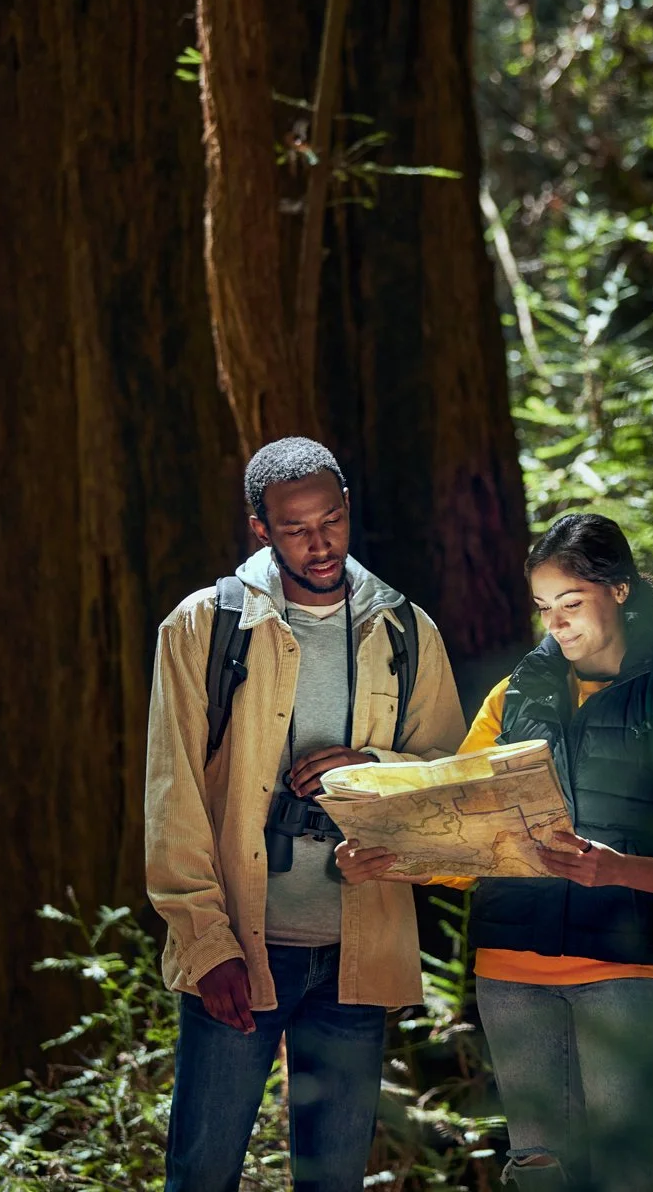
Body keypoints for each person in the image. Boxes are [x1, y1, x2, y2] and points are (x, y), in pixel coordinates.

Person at [338, 513, 653, 1192]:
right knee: (538, 1172)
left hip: (624, 968)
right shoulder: (512, 696)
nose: (555, 624)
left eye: (571, 603)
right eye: (544, 608)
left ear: (617, 591)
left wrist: (616, 869)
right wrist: (392, 854)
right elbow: (462, 833)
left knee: (628, 1169)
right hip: (510, 972)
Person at [144, 437, 468, 1192]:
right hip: (241, 953)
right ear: (260, 527)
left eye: (331, 520)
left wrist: (373, 771)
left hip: (357, 955)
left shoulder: (406, 632)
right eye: (296, 528)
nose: (319, 544)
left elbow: (452, 787)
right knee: (202, 1172)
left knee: (333, 1180)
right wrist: (204, 941)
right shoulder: (202, 627)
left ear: (348, 509)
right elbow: (174, 794)